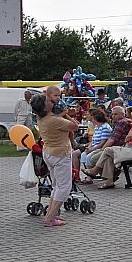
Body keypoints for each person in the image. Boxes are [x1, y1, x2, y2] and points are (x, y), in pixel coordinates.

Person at [30, 90, 79, 227]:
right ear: (45, 107)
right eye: (49, 101)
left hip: (49, 153)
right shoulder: (55, 120)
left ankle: (51, 214)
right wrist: (68, 114)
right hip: (60, 154)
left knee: (56, 186)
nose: (52, 102)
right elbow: (75, 126)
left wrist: (61, 113)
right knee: (64, 187)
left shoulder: (42, 118)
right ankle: (50, 218)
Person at [85, 106, 132, 189]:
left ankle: (95, 170)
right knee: (108, 157)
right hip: (130, 149)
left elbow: (130, 136)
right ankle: (109, 181)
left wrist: (128, 137)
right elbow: (130, 132)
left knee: (107, 150)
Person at [73, 108, 112, 183]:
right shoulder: (97, 127)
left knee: (87, 156)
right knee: (84, 154)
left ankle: (90, 175)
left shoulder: (105, 128)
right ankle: (87, 174)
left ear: (94, 118)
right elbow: (93, 140)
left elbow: (102, 143)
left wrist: (91, 149)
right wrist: (89, 147)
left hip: (100, 148)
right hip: (94, 146)